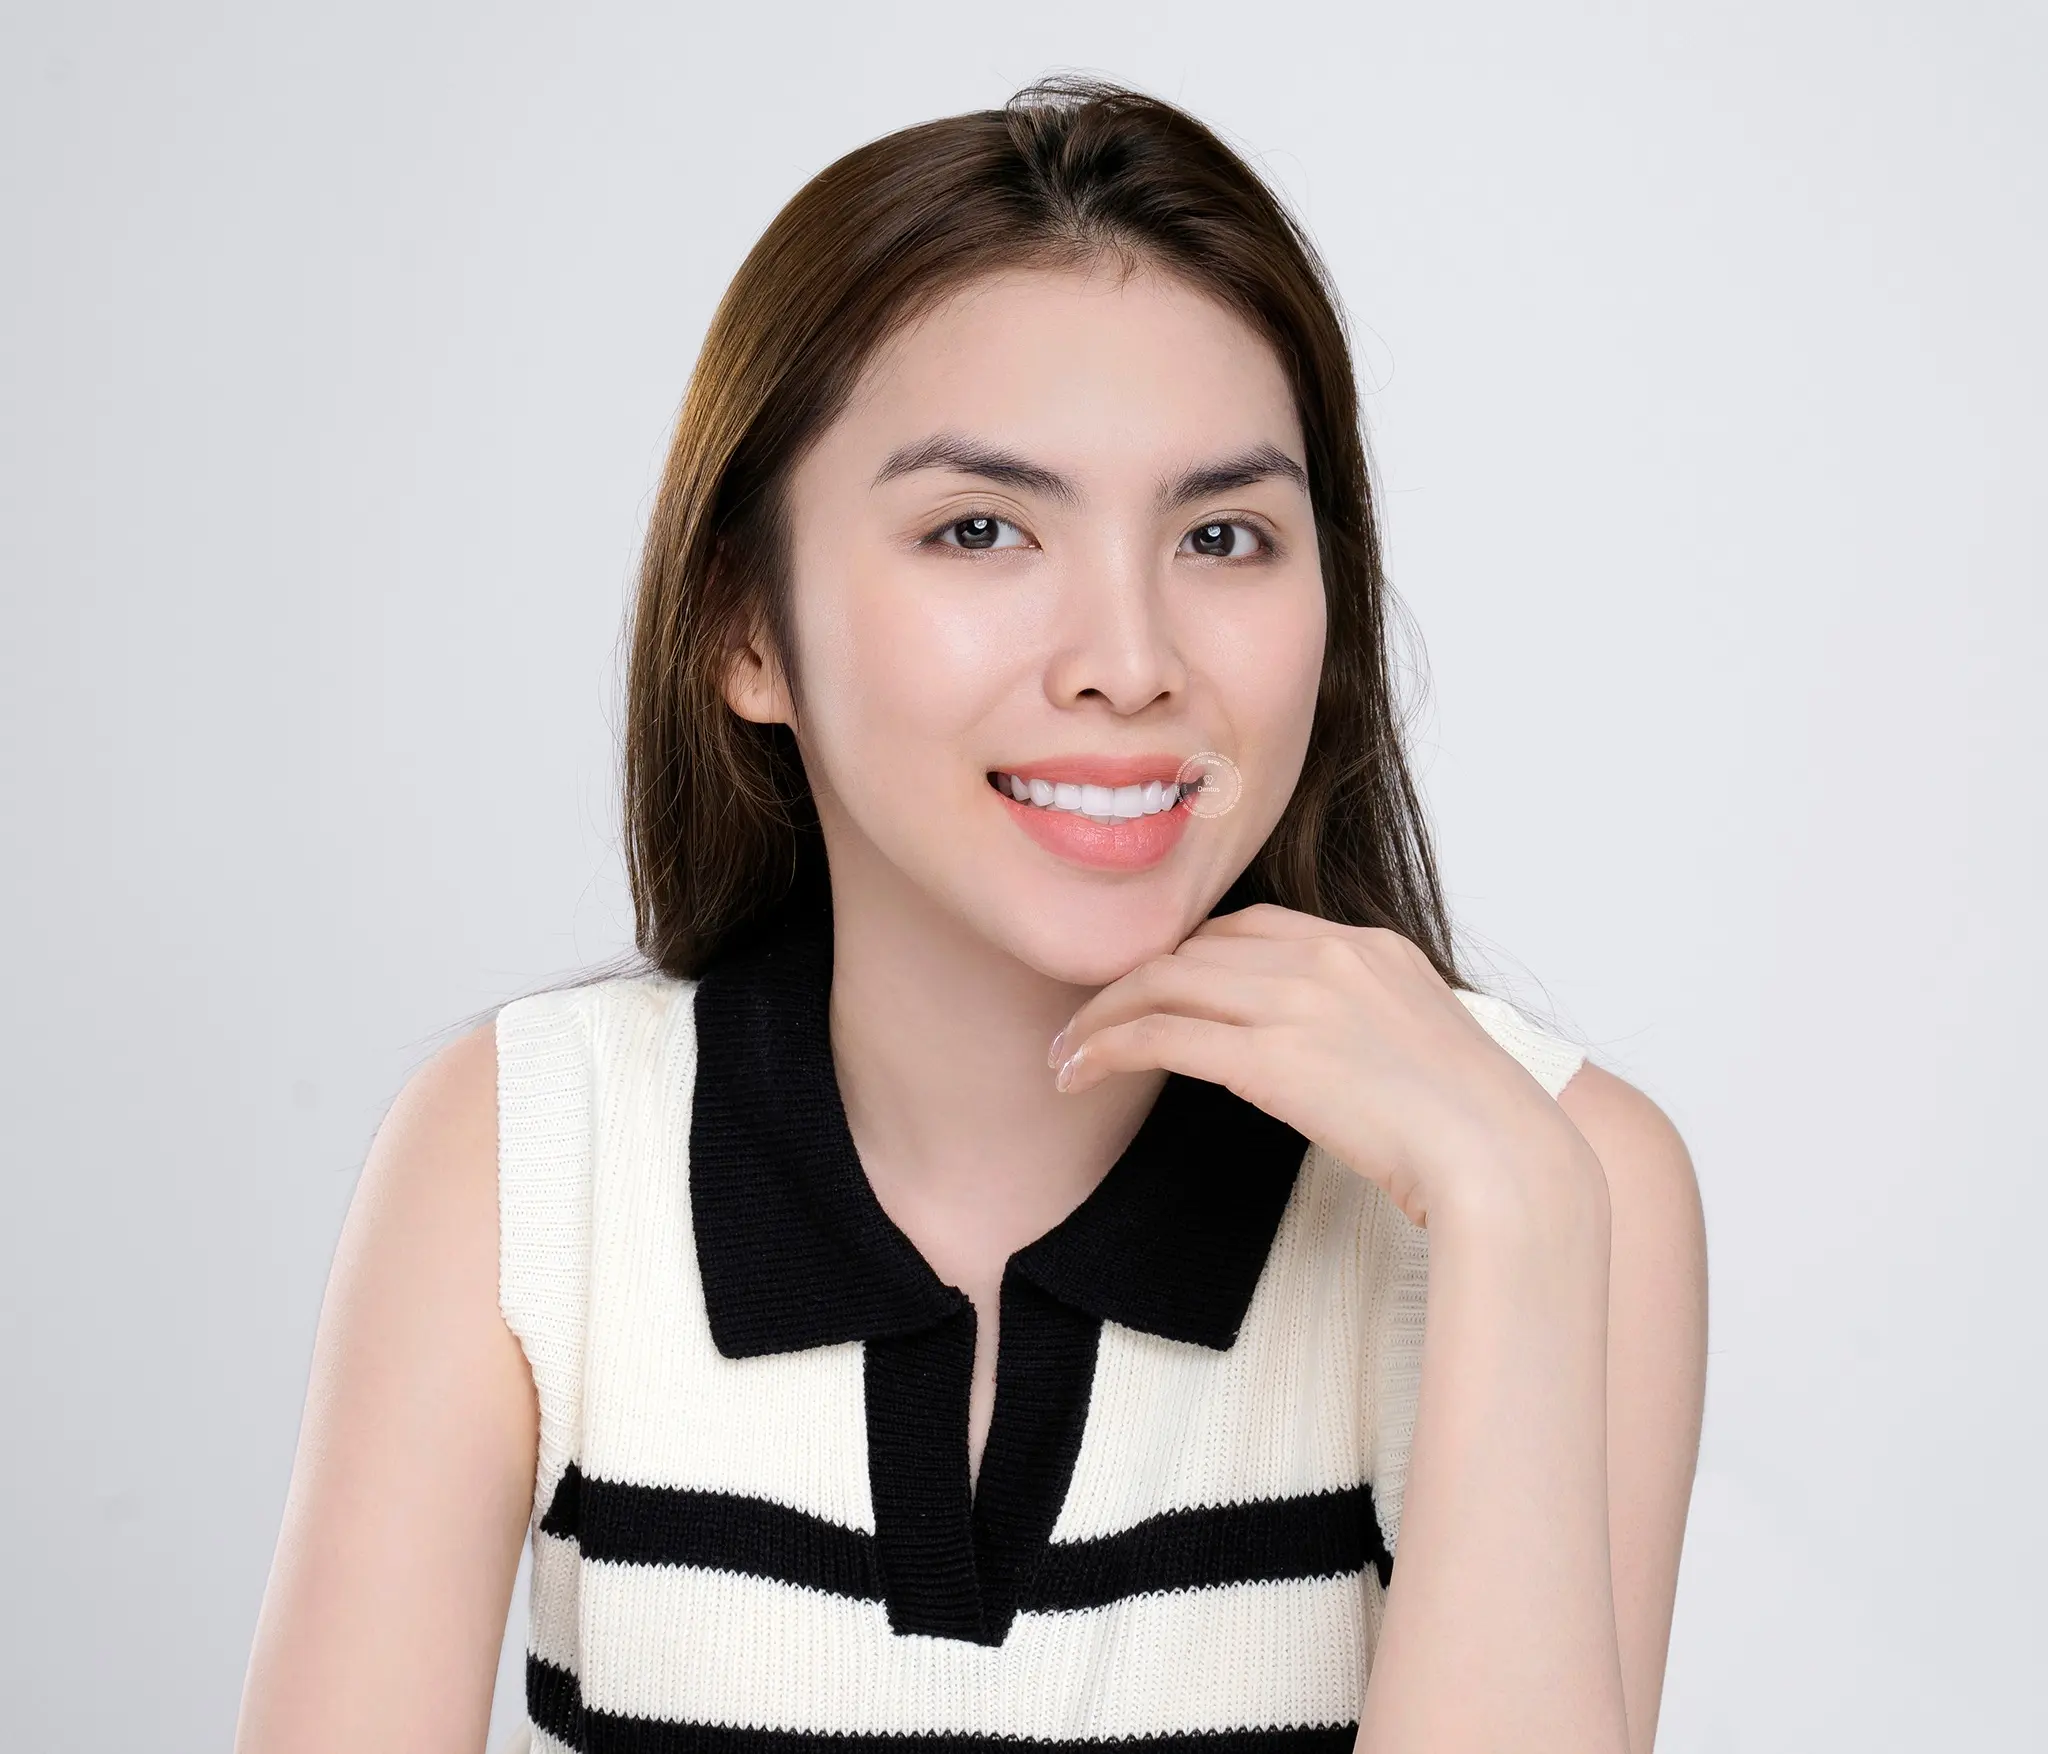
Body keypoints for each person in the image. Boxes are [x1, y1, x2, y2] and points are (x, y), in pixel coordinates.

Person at [235, 79, 1708, 1754]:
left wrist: (1516, 1213)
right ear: (746, 629)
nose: (1130, 660)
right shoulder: (527, 1157)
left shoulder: (1554, 1174)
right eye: (982, 528)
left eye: (1224, 534)